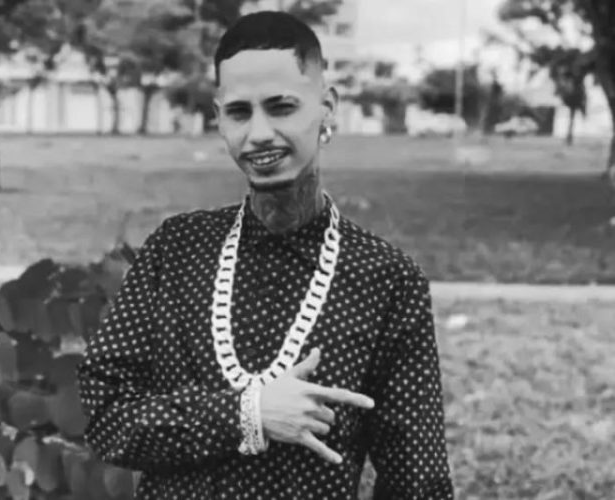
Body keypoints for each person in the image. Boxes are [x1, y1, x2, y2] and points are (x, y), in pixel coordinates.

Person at [77, 10, 454, 500]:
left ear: (327, 108)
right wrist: (247, 414)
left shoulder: (386, 281)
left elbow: (417, 480)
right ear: (219, 119)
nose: (258, 133)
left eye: (281, 107)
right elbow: (107, 415)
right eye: (240, 112)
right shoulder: (176, 251)